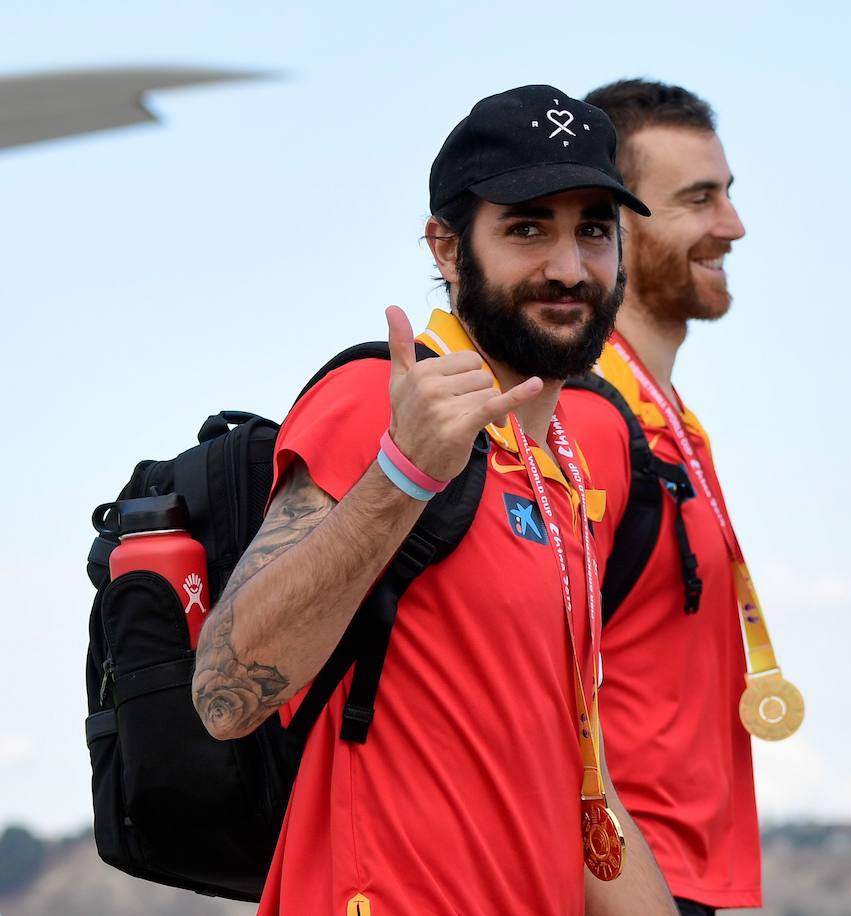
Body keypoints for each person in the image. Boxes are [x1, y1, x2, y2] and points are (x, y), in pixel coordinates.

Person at [191, 84, 676, 916]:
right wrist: (404, 473)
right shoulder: (380, 401)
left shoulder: (560, 469)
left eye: (593, 229)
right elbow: (225, 690)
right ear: (447, 248)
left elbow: (574, 776)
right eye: (527, 228)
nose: (568, 267)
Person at [560, 79, 795, 916]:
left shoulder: (667, 423)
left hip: (673, 883)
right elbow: (541, 710)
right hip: (620, 884)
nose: (732, 225)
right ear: (614, 224)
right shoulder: (579, 423)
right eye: (700, 199)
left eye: (729, 194)